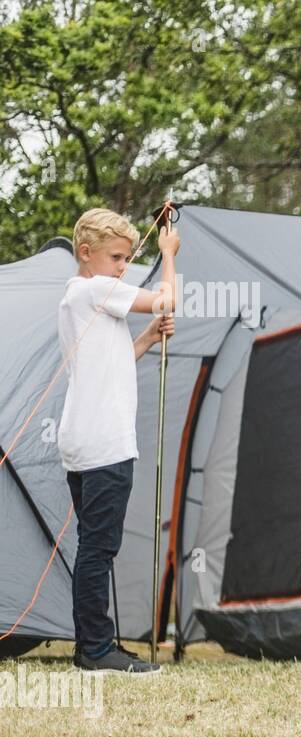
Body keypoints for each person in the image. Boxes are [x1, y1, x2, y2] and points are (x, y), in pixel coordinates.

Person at [60, 208, 178, 673]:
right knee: (99, 548)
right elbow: (167, 300)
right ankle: (94, 649)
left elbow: (110, 364)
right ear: (86, 254)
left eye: (128, 259)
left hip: (83, 440)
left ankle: (95, 641)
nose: (123, 268)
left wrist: (146, 338)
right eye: (116, 257)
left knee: (94, 544)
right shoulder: (94, 288)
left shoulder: (79, 298)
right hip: (104, 443)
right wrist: (168, 254)